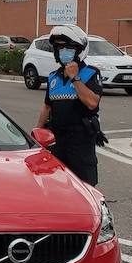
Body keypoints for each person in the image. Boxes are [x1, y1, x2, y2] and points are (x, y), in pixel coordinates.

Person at [36, 23, 103, 187]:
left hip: (80, 140)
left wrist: (75, 78)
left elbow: (92, 103)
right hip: (58, 139)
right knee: (54, 183)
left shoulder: (91, 73)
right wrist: (37, 134)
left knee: (83, 186)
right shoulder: (53, 77)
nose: (63, 52)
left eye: (68, 48)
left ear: (79, 50)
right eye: (59, 48)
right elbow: (47, 107)